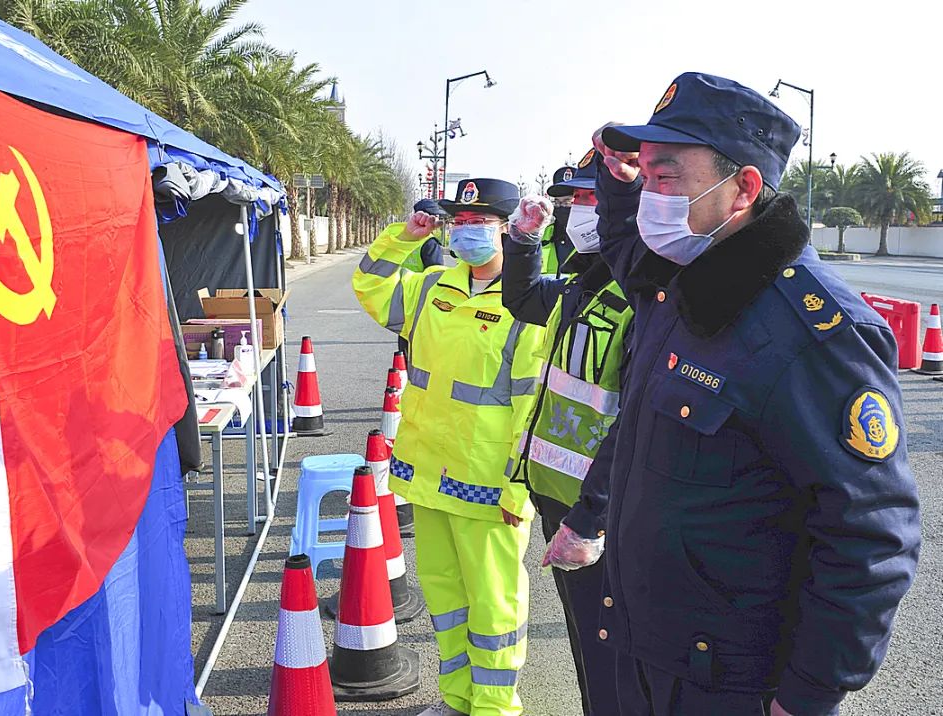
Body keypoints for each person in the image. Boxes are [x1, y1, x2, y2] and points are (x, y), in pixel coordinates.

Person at [545, 73, 921, 716]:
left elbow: (869, 535)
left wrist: (808, 695)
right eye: (647, 175)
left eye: (666, 176)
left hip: (729, 682)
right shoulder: (683, 281)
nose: (651, 197)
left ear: (743, 188)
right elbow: (624, 249)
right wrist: (614, 178)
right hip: (647, 650)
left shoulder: (813, 330)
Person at [353, 178, 545, 716]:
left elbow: (534, 404)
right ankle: (457, 700)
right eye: (458, 224)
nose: (466, 233)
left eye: (478, 224)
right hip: (426, 474)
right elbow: (369, 286)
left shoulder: (528, 301)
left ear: (509, 230)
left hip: (488, 484)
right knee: (445, 599)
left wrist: (520, 486)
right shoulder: (433, 284)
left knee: (494, 605)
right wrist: (406, 237)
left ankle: (494, 707)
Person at [501, 147, 631, 715]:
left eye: (587, 199)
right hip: (559, 497)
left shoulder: (641, 299)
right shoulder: (582, 283)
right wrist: (523, 243)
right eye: (569, 201)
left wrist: (593, 516)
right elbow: (524, 298)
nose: (575, 212)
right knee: (586, 644)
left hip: (603, 513)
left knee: (614, 651)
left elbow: (632, 422)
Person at [397, 199, 446, 358]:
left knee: (405, 338)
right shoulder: (430, 243)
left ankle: (403, 370)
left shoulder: (405, 239)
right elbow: (436, 274)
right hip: (423, 299)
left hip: (403, 295)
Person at [540, 164, 582, 274]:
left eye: (567, 201)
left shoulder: (596, 235)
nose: (562, 207)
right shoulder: (544, 235)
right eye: (557, 202)